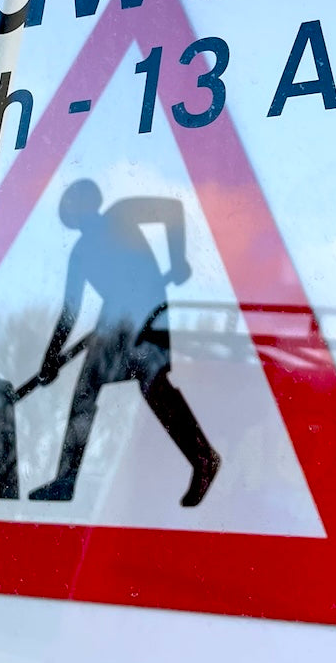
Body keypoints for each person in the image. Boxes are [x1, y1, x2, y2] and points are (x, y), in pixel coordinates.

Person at [28, 179, 220, 506]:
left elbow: (172, 212)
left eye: (81, 206)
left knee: (155, 387)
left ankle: (203, 458)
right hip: (113, 327)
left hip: (147, 316)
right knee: (84, 394)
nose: (79, 215)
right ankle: (65, 480)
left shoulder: (122, 215)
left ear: (93, 202)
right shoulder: (80, 254)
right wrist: (49, 360)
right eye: (74, 212)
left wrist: (176, 260)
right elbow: (69, 312)